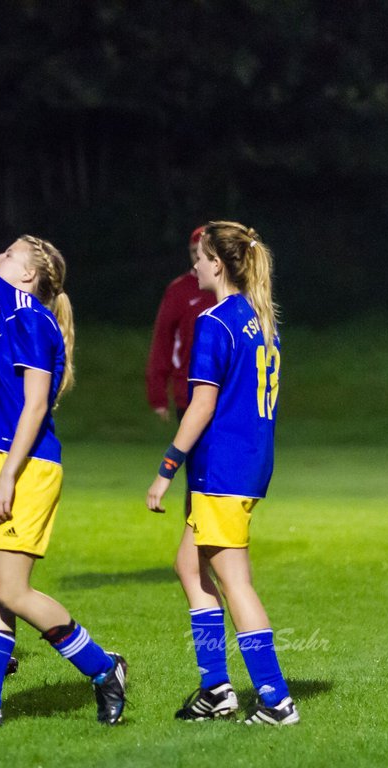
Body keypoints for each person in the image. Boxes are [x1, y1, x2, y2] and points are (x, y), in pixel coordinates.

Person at [0, 236, 127, 726]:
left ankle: (104, 670)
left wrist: (8, 480)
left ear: (27, 276)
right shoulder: (3, 307)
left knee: (14, 593)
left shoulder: (29, 316)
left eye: (9, 253)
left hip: (25, 467)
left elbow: (36, 404)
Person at [145, 220, 299, 726]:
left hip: (223, 469)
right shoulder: (258, 316)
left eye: (202, 256)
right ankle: (216, 688)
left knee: (235, 584)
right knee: (189, 567)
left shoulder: (215, 322)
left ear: (218, 264)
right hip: (249, 464)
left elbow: (201, 404)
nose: (194, 264)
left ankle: (276, 700)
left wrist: (167, 469)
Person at [146, 226, 215, 421]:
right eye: (195, 252)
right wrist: (158, 393)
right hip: (189, 393)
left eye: (206, 251)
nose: (199, 257)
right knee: (192, 450)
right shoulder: (179, 291)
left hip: (225, 394)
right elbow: (163, 340)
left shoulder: (230, 290)